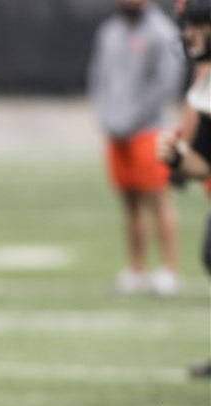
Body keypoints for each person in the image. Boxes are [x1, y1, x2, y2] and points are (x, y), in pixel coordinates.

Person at [89, 0, 186, 296]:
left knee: (159, 199)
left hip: (149, 129)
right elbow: (99, 78)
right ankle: (136, 268)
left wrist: (133, 115)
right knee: (129, 201)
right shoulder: (109, 32)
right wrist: (106, 115)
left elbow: (167, 84)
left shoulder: (162, 31)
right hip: (117, 130)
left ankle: (169, 269)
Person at [157, 0, 211, 377]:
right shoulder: (205, 82)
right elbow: (203, 164)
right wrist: (177, 159)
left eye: (195, 24)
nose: (186, 33)